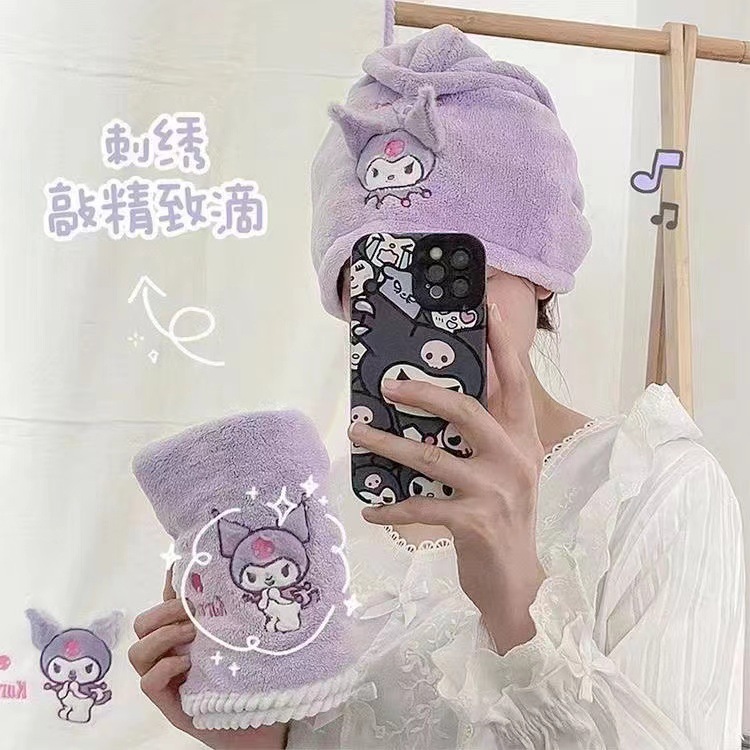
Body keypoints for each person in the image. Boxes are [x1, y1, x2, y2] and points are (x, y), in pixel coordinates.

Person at [129, 23, 745, 750]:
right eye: (378, 286)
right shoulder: (326, 517)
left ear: (541, 275)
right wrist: (264, 738)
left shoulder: (649, 487)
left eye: (454, 274)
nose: (424, 320)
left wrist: (515, 599)